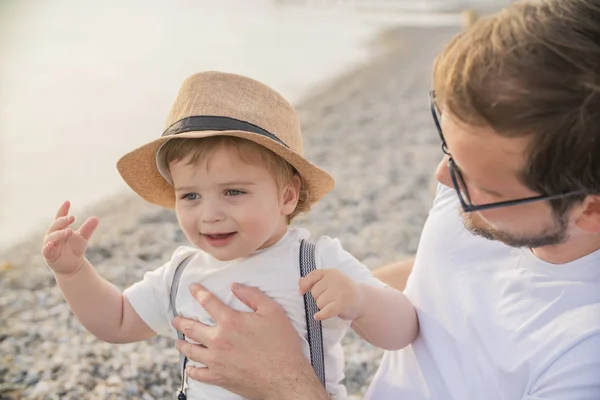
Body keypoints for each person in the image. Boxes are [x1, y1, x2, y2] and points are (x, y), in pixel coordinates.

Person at [171, 1, 600, 399]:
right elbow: (452, 272)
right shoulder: (479, 178)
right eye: (447, 149)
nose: (443, 178)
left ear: (591, 209)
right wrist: (323, 286)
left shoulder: (583, 359)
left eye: (481, 186)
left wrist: (282, 380)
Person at [41, 71, 418, 400]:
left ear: (287, 196)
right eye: (190, 195)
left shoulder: (314, 261)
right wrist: (73, 274)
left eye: (233, 192)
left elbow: (403, 328)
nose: (210, 214)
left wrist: (362, 301)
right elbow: (118, 321)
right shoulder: (181, 273)